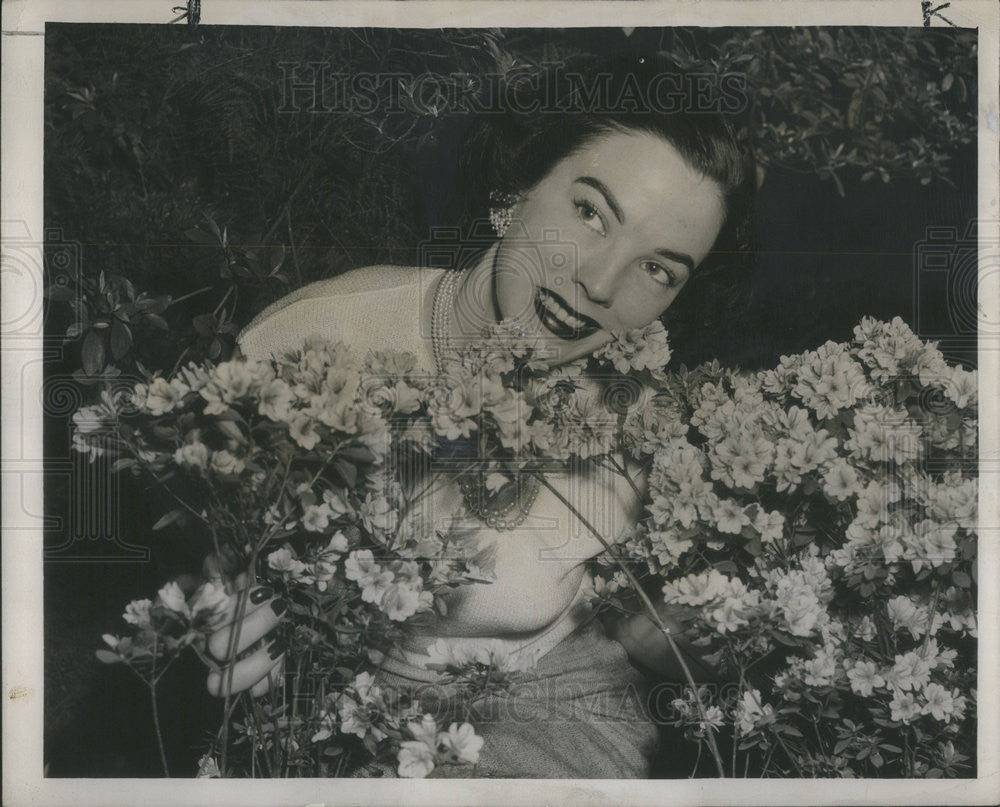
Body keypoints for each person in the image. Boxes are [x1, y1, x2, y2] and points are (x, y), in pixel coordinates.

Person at [202, 52, 756, 778]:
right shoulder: (307, 346)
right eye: (589, 212)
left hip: (564, 715)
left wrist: (674, 637)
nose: (598, 281)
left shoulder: (640, 419)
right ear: (516, 190)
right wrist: (233, 604)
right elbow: (221, 575)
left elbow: (630, 635)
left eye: (659, 268)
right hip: (348, 725)